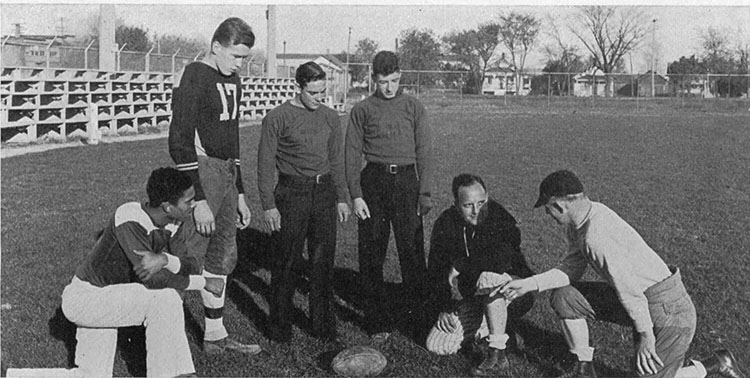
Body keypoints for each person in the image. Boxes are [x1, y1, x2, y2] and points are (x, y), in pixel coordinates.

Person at [500, 170, 746, 378]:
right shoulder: (584, 220)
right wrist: (529, 284)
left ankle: (713, 364)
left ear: (560, 204)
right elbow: (571, 269)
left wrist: (646, 336)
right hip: (644, 300)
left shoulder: (596, 235)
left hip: (669, 310)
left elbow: (629, 290)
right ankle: (585, 370)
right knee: (565, 296)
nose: (547, 215)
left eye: (547, 209)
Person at [60, 167, 224, 377]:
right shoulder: (129, 216)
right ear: (168, 207)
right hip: (87, 299)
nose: (193, 205)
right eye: (188, 201)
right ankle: (177, 374)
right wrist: (204, 283)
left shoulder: (175, 221)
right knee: (163, 298)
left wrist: (165, 259)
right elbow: (152, 279)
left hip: (112, 298)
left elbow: (191, 264)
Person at [168, 17, 260, 355]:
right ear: (216, 47)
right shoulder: (194, 74)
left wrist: (240, 193)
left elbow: (232, 138)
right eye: (235, 56)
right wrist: (200, 199)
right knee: (185, 255)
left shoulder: (232, 78)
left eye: (244, 59)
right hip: (200, 172)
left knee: (222, 255)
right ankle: (163, 336)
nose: (238, 64)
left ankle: (215, 335)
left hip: (225, 174)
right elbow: (178, 141)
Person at [257, 61, 351, 343]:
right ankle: (279, 328)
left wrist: (342, 198)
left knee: (322, 262)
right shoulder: (277, 117)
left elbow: (336, 160)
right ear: (298, 87)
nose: (318, 98)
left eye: (322, 92)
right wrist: (268, 204)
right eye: (313, 93)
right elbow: (264, 164)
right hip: (291, 194)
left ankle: (322, 326)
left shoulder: (330, 117)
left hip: (324, 193)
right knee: (287, 262)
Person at [345, 50, 434, 340]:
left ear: (400, 77)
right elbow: (351, 154)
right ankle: (376, 320)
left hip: (407, 182)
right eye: (384, 82)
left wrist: (425, 192)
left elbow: (425, 151)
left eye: (394, 81)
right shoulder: (362, 109)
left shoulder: (413, 106)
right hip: (374, 181)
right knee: (372, 253)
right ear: (374, 79)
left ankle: (417, 320)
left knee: (411, 252)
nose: (389, 87)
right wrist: (356, 195)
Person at [424, 174, 535, 376]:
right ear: (455, 204)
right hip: (477, 297)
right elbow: (437, 269)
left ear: (488, 197)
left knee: (489, 277)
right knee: (437, 345)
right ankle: (494, 330)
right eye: (468, 205)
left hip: (515, 292)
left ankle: (497, 353)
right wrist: (443, 307)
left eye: (481, 202)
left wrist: (463, 264)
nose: (477, 211)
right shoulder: (446, 223)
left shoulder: (499, 217)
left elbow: (500, 261)